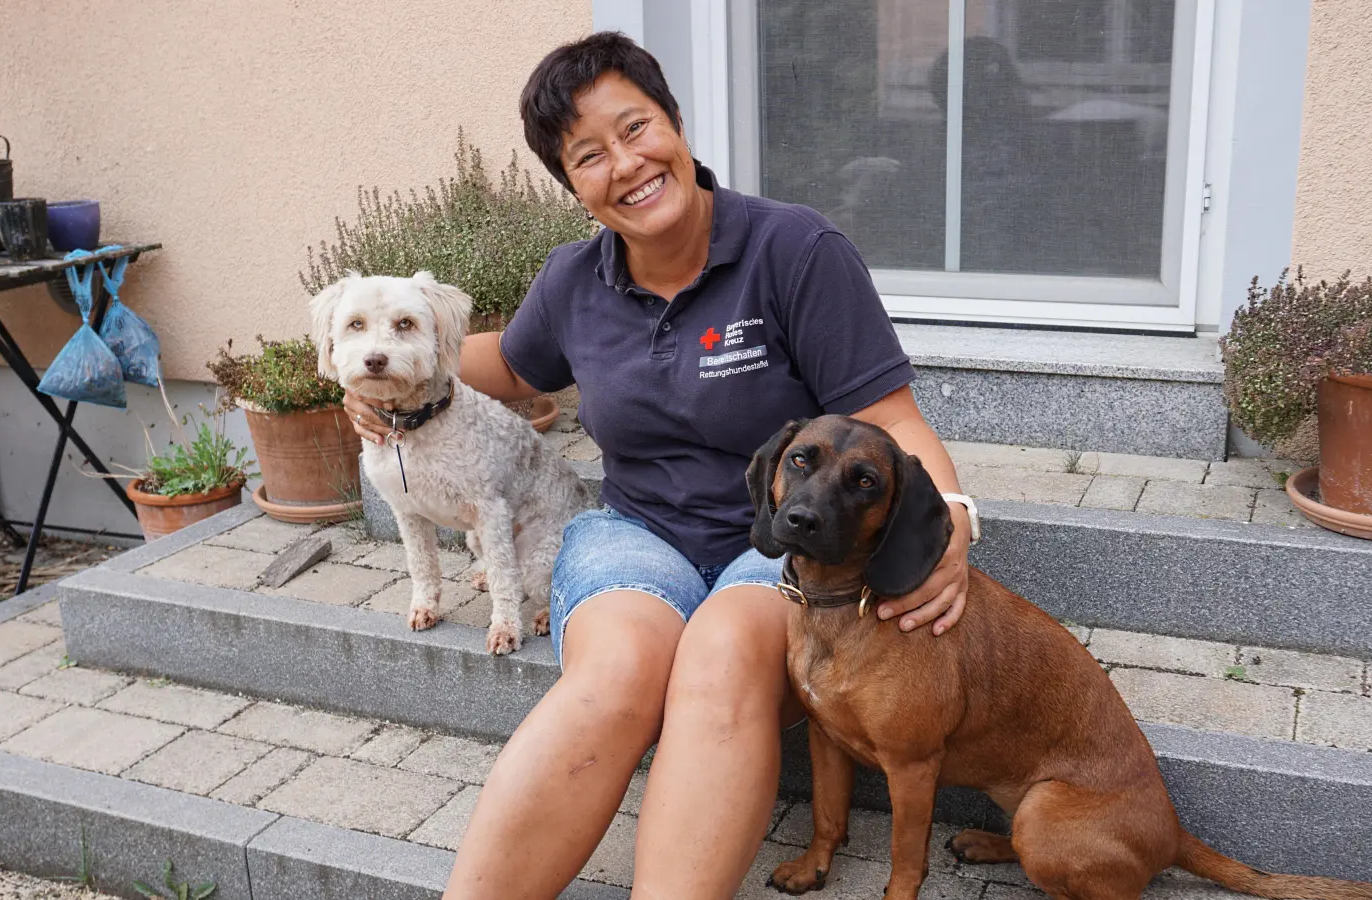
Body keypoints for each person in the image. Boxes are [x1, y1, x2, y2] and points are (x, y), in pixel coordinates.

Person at [344, 31, 976, 900]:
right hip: (636, 534)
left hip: (787, 543)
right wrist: (385, 380)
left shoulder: (794, 250)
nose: (626, 164)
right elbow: (510, 365)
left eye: (635, 127)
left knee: (721, 656)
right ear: (573, 187)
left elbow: (891, 418)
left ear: (675, 121)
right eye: (589, 156)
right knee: (617, 672)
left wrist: (954, 518)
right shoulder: (574, 281)